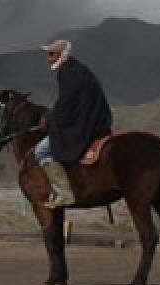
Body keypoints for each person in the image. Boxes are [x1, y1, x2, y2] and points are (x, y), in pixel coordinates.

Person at [32, 39, 113, 207]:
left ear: (62, 54)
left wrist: (49, 118)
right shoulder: (76, 69)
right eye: (48, 55)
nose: (49, 59)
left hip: (85, 125)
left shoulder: (68, 73)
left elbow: (66, 104)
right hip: (95, 121)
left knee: (41, 151)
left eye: (52, 54)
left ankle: (64, 193)